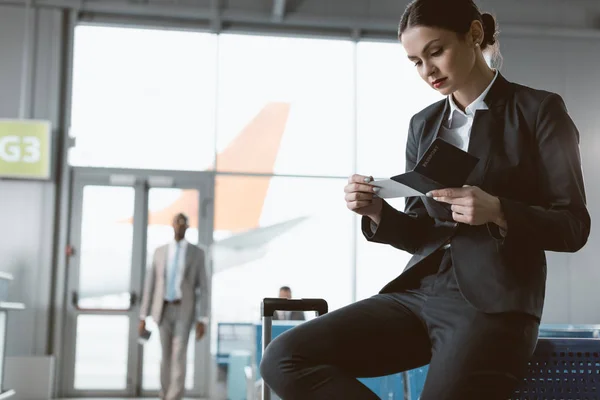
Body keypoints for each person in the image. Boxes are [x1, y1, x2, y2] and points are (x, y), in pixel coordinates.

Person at [259, 0, 591, 398]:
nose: (427, 70)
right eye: (415, 61)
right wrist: (378, 212)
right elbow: (420, 232)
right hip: (417, 296)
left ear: (473, 34)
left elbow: (573, 226)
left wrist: (499, 211)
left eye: (436, 52)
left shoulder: (538, 111)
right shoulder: (424, 125)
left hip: (493, 307)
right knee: (284, 357)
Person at [139, 213, 210, 400]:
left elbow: (204, 288)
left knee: (179, 355)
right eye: (177, 223)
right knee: (165, 355)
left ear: (187, 227)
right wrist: (143, 316)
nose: (179, 226)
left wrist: (203, 318)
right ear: (172, 225)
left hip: (184, 310)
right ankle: (164, 394)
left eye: (183, 224)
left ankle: (175, 396)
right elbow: (150, 284)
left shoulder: (197, 253)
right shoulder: (160, 251)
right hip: (162, 309)